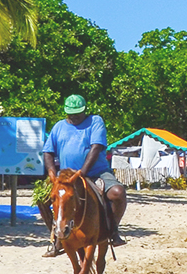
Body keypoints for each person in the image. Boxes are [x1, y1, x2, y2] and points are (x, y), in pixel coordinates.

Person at [38, 94, 126, 255]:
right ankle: (57, 236)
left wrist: (82, 173)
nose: (74, 117)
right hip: (65, 177)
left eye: (78, 113)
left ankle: (112, 231)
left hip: (95, 172)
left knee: (117, 193)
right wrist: (52, 174)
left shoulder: (95, 121)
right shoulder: (59, 127)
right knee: (41, 199)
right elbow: (48, 152)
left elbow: (96, 148)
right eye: (71, 114)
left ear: (84, 111)